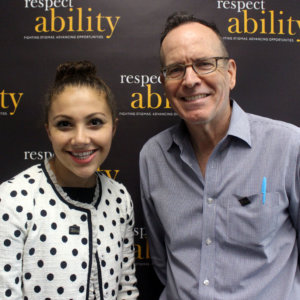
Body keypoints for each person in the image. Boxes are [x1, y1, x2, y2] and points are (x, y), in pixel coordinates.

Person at [139, 12, 300, 300]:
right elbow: (162, 261)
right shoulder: (153, 157)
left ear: (231, 72)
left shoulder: (289, 146)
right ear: (164, 83)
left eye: (203, 64)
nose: (190, 80)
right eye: (175, 69)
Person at [0, 61, 139, 300]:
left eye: (95, 122)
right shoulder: (13, 200)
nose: (81, 139)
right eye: (64, 124)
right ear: (48, 131)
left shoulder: (119, 198)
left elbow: (126, 289)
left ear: (113, 128)